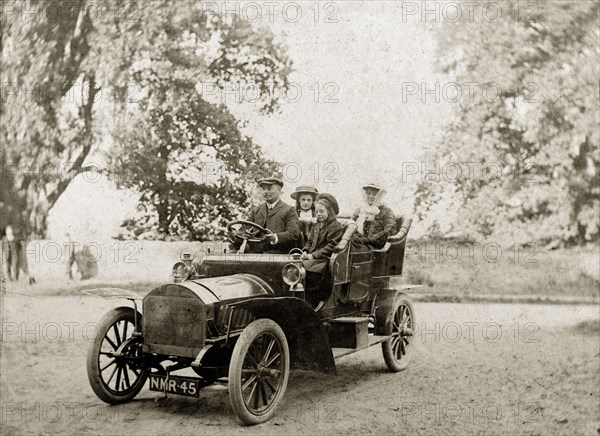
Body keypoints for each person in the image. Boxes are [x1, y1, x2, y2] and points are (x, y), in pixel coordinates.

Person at [239, 177, 300, 254]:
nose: (265, 192)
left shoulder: (289, 210)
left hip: (278, 252)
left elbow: (293, 234)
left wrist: (274, 237)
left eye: (269, 188)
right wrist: (235, 234)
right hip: (254, 251)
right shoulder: (256, 210)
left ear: (279, 191)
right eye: (263, 189)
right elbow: (244, 229)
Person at [301, 193, 344, 303]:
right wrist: (305, 251)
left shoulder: (335, 226)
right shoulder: (316, 225)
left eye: (321, 211)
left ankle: (311, 300)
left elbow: (331, 246)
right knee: (295, 265)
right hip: (313, 258)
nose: (318, 214)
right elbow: (309, 242)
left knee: (304, 269)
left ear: (329, 212)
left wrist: (313, 255)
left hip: (324, 260)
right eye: (317, 211)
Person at [351, 183, 396, 250]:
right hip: (358, 243)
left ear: (379, 195)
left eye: (374, 194)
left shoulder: (386, 211)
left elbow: (390, 230)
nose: (370, 196)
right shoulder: (359, 210)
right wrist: (357, 237)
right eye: (368, 193)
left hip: (374, 247)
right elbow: (350, 226)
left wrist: (368, 240)